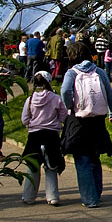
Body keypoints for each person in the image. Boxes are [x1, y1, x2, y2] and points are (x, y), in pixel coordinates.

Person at [61, 41, 112, 208]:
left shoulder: (71, 73)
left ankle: (90, 198)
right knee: (94, 157)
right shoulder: (98, 71)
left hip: (79, 120)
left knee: (82, 158)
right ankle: (96, 192)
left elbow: (64, 90)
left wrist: (69, 104)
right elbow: (109, 93)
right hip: (97, 120)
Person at [20, 71, 67, 206]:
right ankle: (52, 197)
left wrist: (32, 123)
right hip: (51, 135)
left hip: (34, 136)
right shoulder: (56, 98)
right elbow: (63, 116)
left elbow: (24, 119)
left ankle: (28, 196)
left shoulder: (30, 99)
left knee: (32, 167)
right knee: (51, 166)